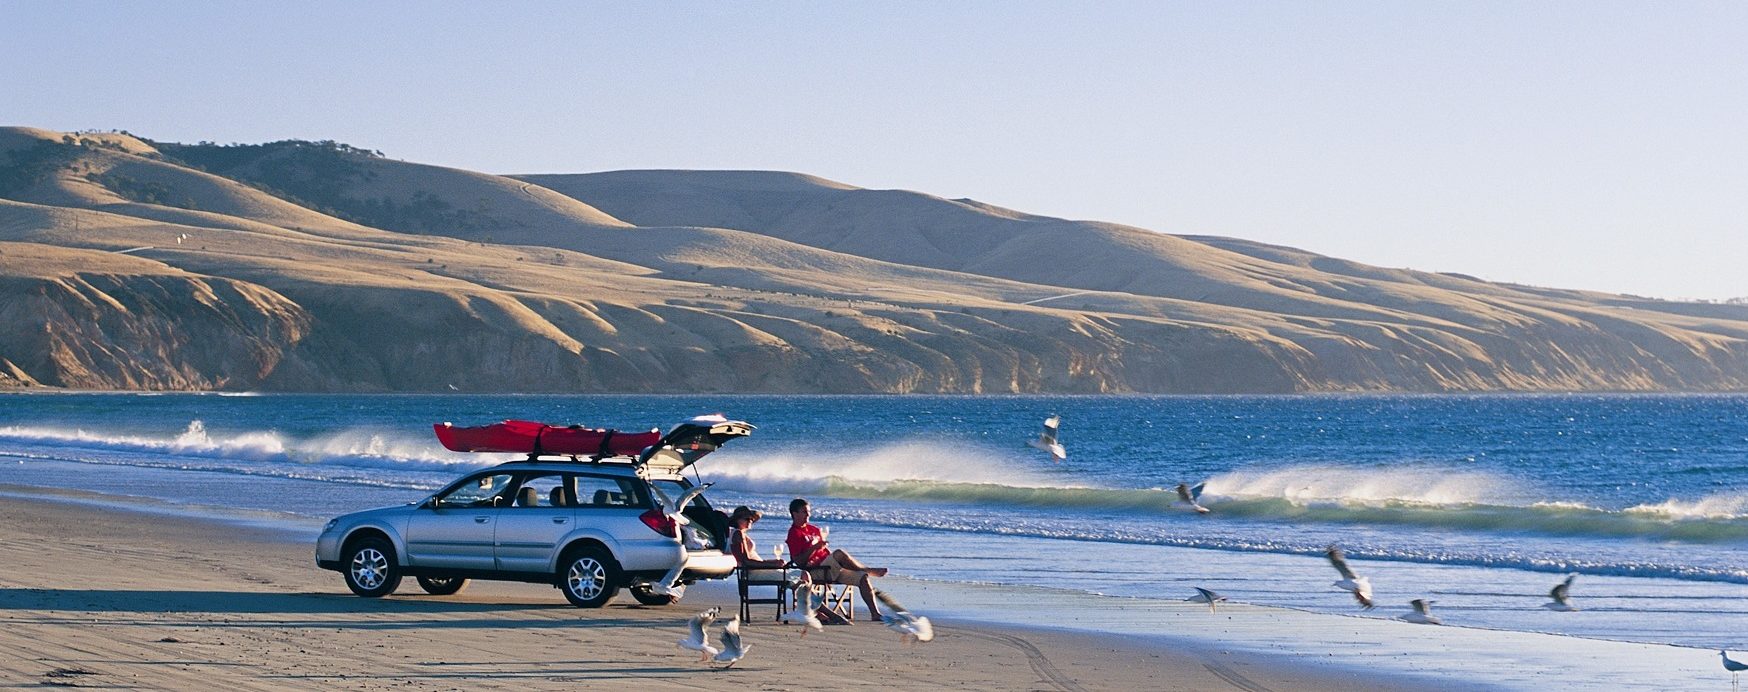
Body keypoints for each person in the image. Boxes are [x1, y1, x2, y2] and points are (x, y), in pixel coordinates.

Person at [785, 497, 887, 620]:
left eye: (808, 511)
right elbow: (799, 561)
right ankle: (868, 569)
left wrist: (823, 549)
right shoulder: (794, 533)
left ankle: (875, 614)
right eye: (804, 512)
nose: (808, 514)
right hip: (814, 571)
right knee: (839, 553)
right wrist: (814, 548)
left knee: (862, 577)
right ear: (794, 514)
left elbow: (824, 552)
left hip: (830, 567)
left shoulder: (814, 529)